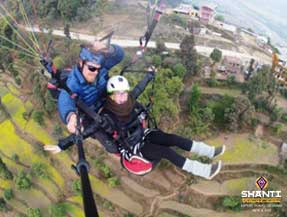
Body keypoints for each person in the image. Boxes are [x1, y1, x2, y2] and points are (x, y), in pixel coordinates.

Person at [98, 72, 225, 180]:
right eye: (118, 94)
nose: (123, 97)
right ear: (111, 95)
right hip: (133, 149)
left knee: (173, 139)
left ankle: (209, 151)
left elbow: (138, 89)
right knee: (166, 151)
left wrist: (149, 75)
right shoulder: (106, 115)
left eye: (124, 93)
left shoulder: (129, 101)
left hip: (142, 134)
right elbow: (101, 137)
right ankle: (204, 171)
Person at [43, 41, 124, 154]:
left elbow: (119, 56)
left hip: (104, 102)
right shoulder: (73, 84)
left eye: (98, 69)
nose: (95, 72)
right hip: (90, 114)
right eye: (91, 68)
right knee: (111, 145)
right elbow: (65, 100)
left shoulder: (100, 69)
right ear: (81, 63)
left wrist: (109, 49)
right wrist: (70, 117)